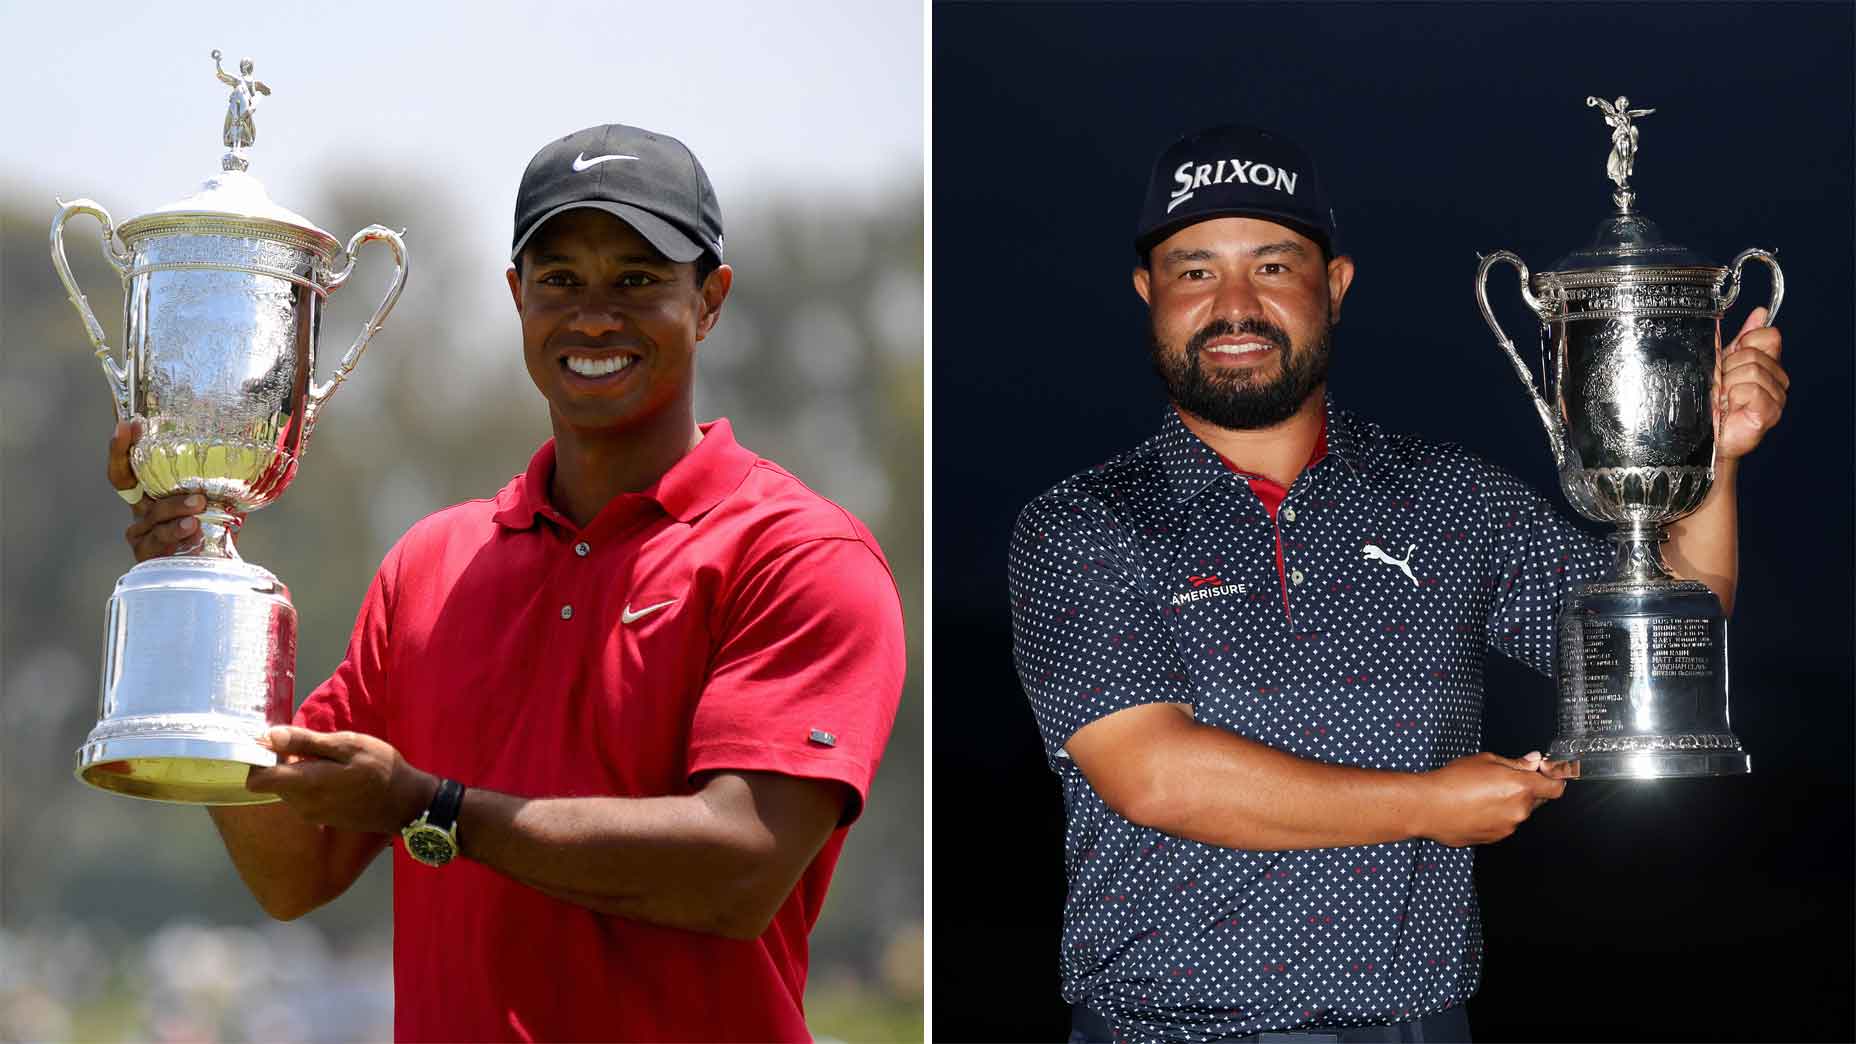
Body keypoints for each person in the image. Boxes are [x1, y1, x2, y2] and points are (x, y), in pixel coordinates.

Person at [110, 123, 907, 1042]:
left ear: (711, 299)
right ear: (517, 295)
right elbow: (293, 868)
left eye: (638, 279)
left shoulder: (798, 554)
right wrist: (193, 596)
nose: (594, 316)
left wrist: (434, 807)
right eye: (560, 279)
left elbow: (738, 869)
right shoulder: (431, 565)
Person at [1007, 124, 1787, 1044]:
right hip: (1159, 1031)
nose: (1234, 305)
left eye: (1272, 266)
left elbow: (1666, 641)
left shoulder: (1449, 499)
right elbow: (1156, 776)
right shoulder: (1079, 521)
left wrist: (1711, 455)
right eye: (1194, 272)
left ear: (1333, 288)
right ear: (1149, 295)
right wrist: (1431, 804)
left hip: (1415, 1026)